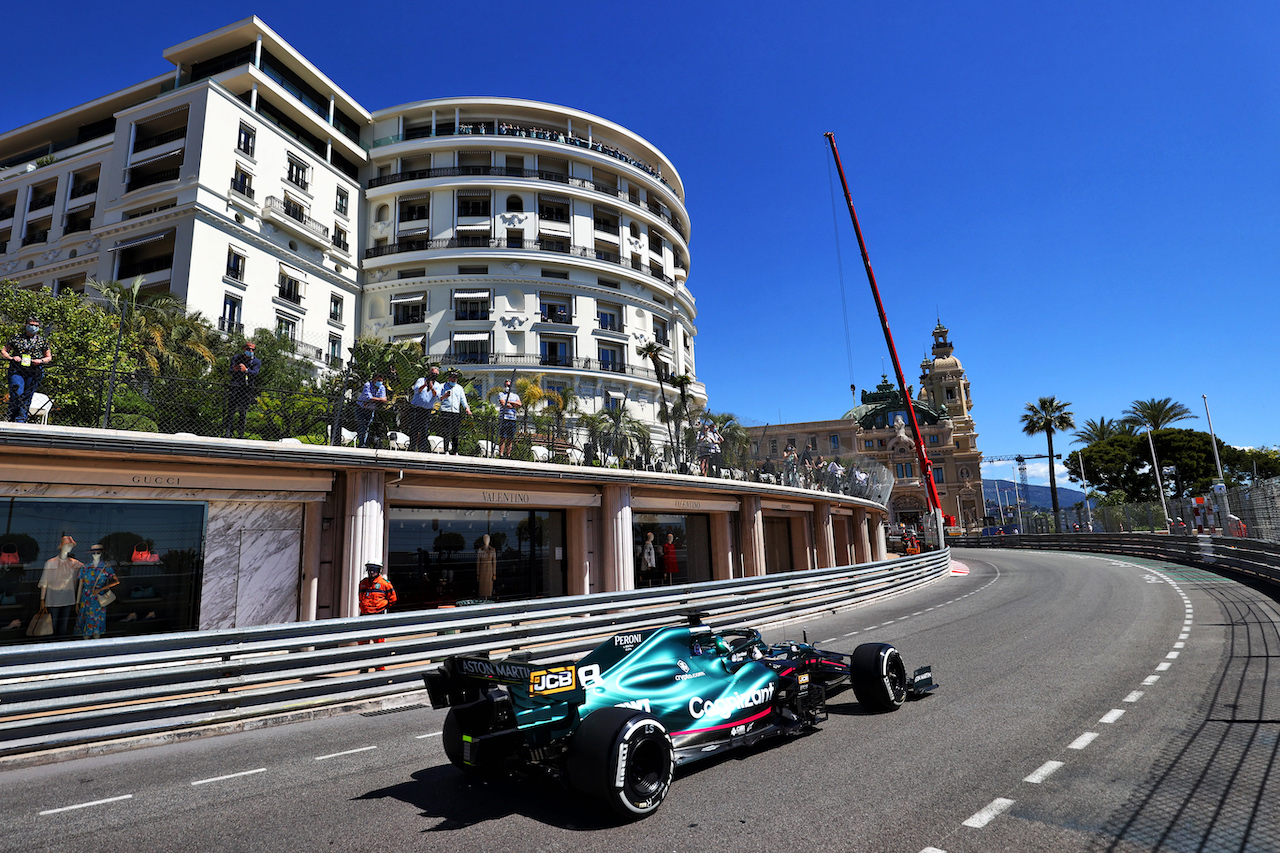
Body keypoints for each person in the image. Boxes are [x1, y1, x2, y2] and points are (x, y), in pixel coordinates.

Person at [2, 316, 52, 424]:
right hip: (17, 370)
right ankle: (11, 417)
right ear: (26, 325)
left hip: (34, 371)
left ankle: (21, 419)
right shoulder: (16, 338)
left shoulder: (42, 341)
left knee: (27, 396)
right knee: (17, 393)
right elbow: (4, 350)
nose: (33, 327)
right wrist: (12, 358)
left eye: (36, 326)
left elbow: (48, 357)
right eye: (31, 325)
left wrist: (41, 361)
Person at [39, 534, 81, 638]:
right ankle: (49, 646)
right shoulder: (50, 563)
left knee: (63, 626)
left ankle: (60, 645)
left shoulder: (74, 563)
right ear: (61, 546)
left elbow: (88, 568)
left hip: (68, 598)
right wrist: (42, 599)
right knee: (51, 625)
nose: (69, 547)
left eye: (71, 546)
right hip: (53, 598)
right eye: (67, 545)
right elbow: (44, 582)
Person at [358, 562, 397, 671]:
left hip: (377, 617)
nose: (371, 571)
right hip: (364, 617)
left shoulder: (385, 584)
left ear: (379, 570)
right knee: (362, 644)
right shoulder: (363, 583)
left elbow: (393, 599)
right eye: (370, 569)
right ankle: (364, 667)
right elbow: (361, 598)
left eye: (374, 569)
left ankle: (380, 669)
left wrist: (381, 608)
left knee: (378, 644)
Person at [75, 543, 118, 640]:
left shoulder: (106, 567)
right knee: (86, 623)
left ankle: (96, 646)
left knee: (97, 624)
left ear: (101, 553)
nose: (95, 554)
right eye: (93, 552)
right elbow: (80, 585)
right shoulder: (85, 568)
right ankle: (85, 646)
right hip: (86, 598)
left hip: (98, 598)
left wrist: (101, 589)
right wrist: (77, 602)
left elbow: (117, 581)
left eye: (98, 552)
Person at [224, 340, 261, 439]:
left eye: (253, 349)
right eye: (249, 349)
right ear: (244, 349)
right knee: (231, 411)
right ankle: (228, 432)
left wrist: (246, 370)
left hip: (246, 389)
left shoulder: (256, 361)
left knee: (243, 412)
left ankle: (240, 434)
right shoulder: (237, 358)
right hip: (235, 387)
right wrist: (235, 369)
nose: (251, 351)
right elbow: (230, 371)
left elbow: (255, 373)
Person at [437, 370, 471, 454]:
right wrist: (444, 396)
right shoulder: (442, 386)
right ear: (449, 378)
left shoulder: (459, 388)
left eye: (455, 378)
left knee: (455, 432)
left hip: (455, 412)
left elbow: (463, 399)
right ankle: (446, 450)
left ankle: (455, 451)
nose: (453, 379)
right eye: (452, 378)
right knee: (447, 431)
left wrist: (467, 408)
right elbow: (438, 398)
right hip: (446, 411)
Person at [408, 367, 441, 452]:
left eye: (436, 374)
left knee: (424, 430)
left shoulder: (437, 385)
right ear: (429, 373)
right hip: (416, 408)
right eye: (433, 374)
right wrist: (425, 385)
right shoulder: (421, 380)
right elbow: (416, 389)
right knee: (414, 428)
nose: (434, 376)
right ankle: (412, 447)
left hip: (426, 411)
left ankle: (422, 449)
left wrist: (432, 387)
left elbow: (437, 396)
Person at [355, 372, 389, 448]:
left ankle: (364, 443)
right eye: (378, 380)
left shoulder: (382, 387)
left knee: (367, 426)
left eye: (381, 380)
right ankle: (361, 444)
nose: (380, 382)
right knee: (362, 426)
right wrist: (379, 399)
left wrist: (375, 400)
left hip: (370, 409)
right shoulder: (367, 385)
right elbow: (369, 397)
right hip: (361, 408)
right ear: (374, 380)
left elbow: (385, 399)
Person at [496, 379, 522, 457]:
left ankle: (508, 454)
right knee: (503, 437)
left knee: (510, 438)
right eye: (506, 385)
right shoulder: (501, 394)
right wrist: (514, 405)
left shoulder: (515, 396)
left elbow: (519, 404)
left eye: (509, 386)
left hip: (512, 419)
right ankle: (501, 454)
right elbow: (503, 403)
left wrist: (510, 403)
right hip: (504, 418)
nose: (507, 387)